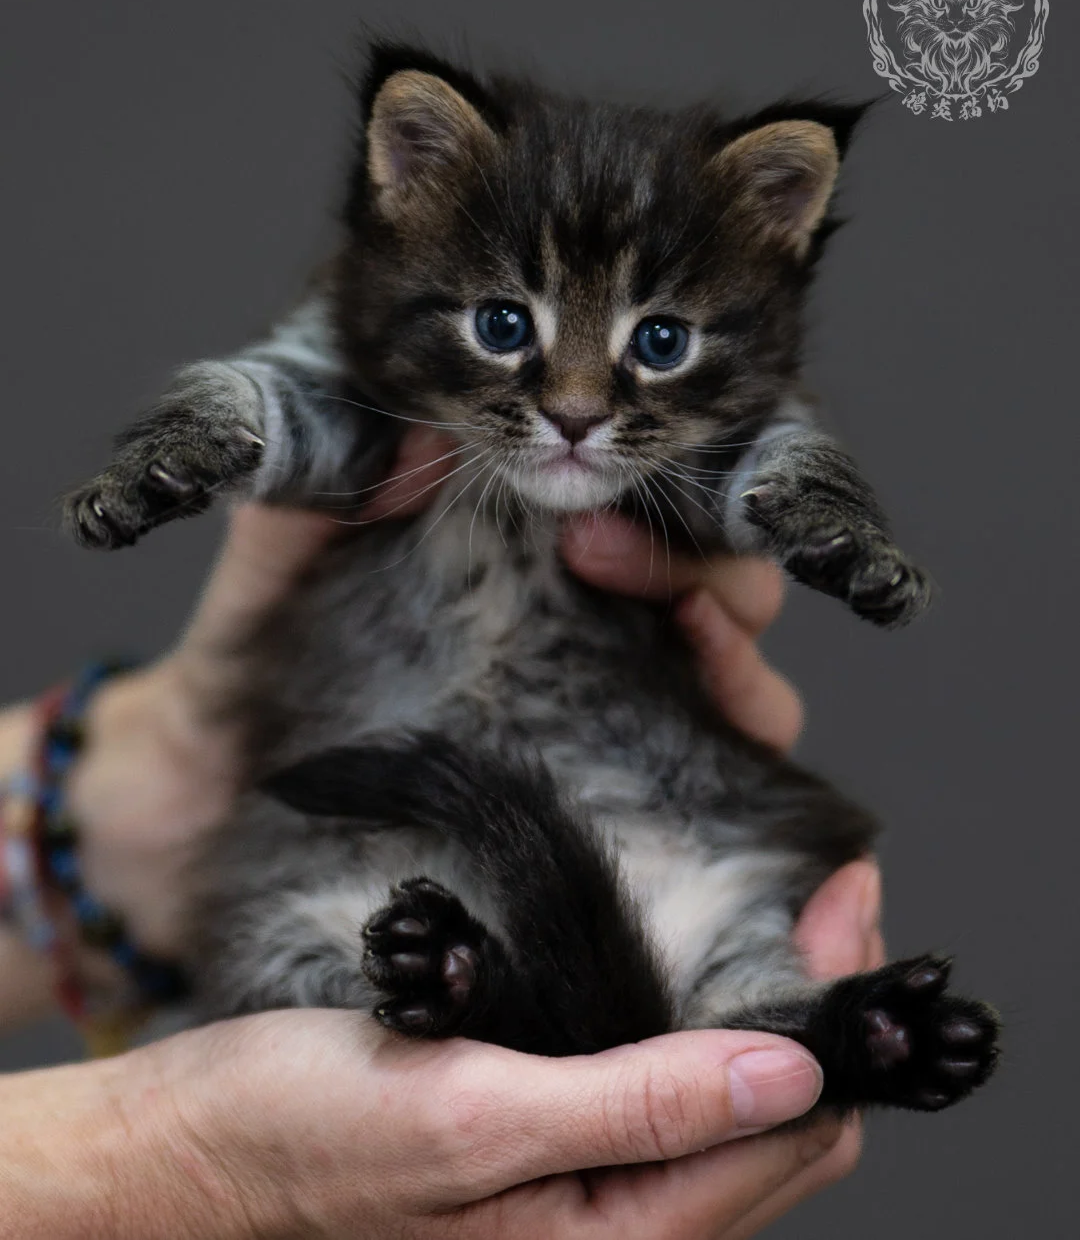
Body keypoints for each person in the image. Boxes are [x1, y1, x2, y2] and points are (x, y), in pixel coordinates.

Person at [0, 430, 884, 1239]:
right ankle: (501, 991)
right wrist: (173, 1157)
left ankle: (790, 1026)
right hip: (427, 868)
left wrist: (150, 780)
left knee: (741, 938)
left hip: (581, 865)